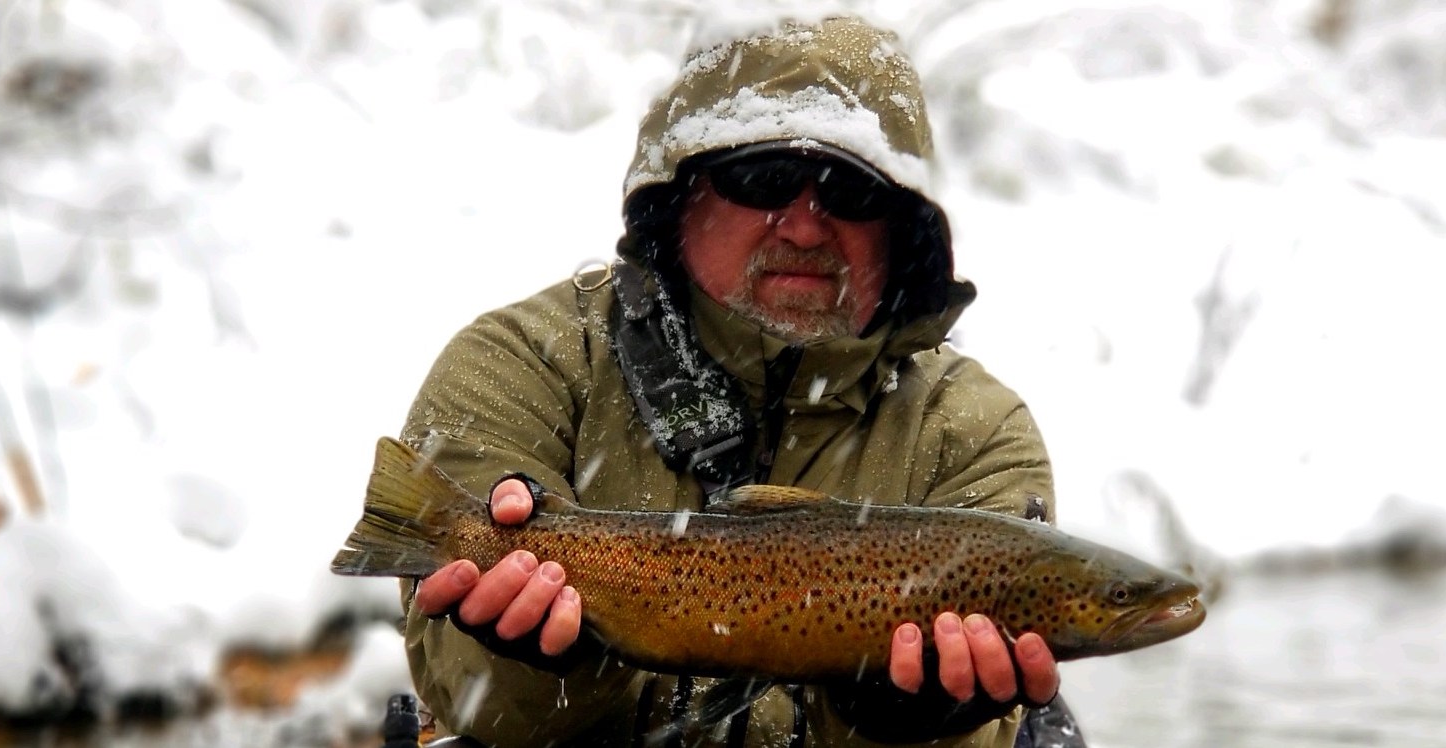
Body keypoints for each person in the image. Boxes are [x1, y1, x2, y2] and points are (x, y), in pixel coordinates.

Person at [395, 14, 1072, 747]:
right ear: (682, 197)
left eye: (851, 191)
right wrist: (549, 661)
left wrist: (909, 721)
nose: (806, 228)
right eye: (766, 178)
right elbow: (471, 697)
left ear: (903, 228)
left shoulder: (977, 431)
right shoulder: (525, 360)